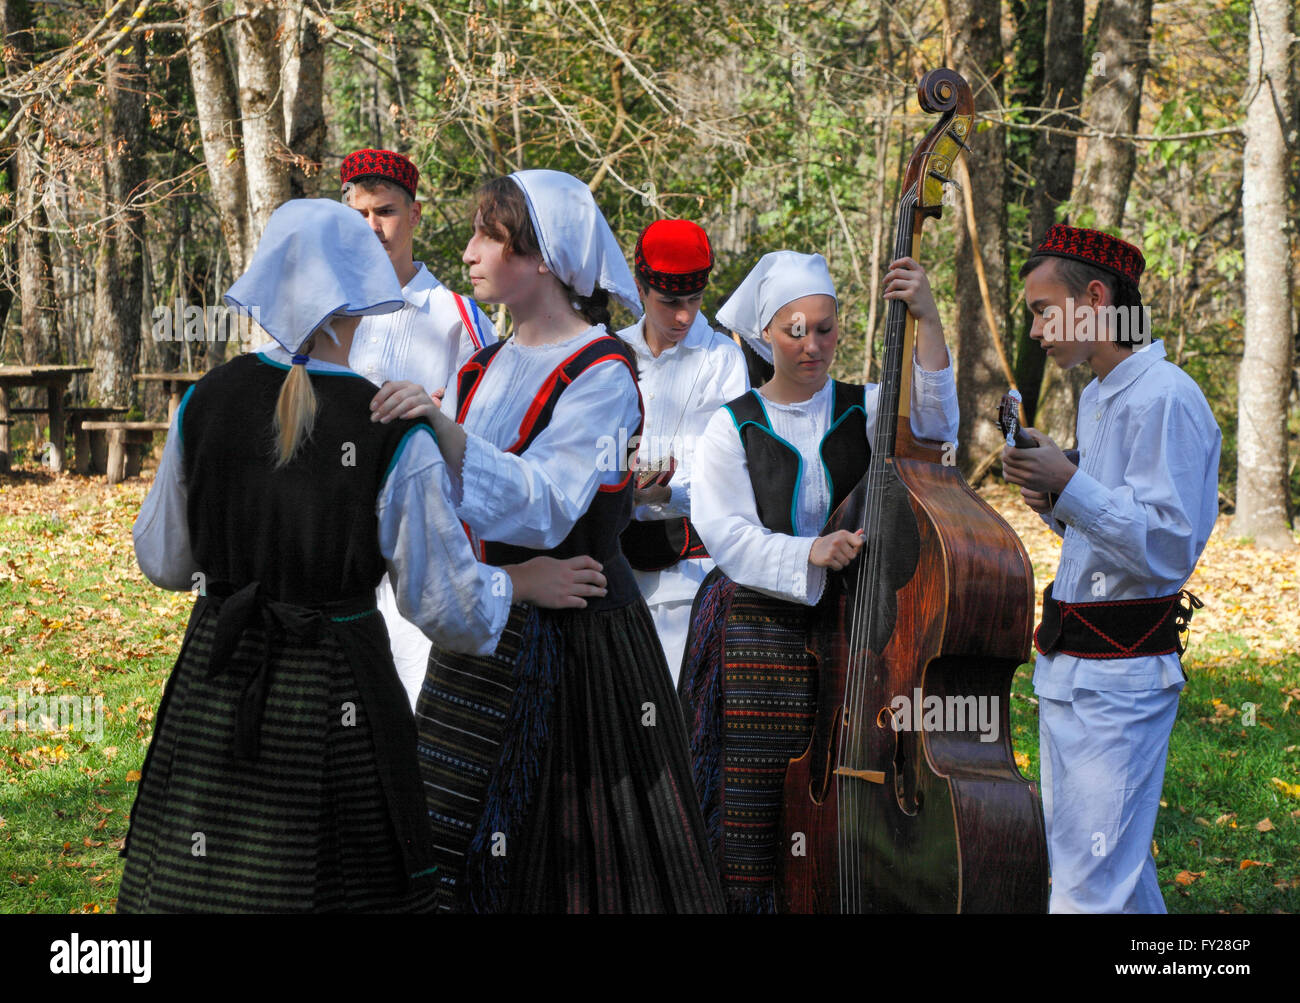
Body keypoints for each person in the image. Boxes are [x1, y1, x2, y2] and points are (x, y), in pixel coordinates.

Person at [119, 199, 604, 913]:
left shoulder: (204, 402)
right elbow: (448, 609)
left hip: (218, 679)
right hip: (338, 691)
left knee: (200, 890)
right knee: (343, 888)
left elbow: (163, 559)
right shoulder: (389, 426)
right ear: (359, 294)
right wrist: (517, 581)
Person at [371, 169, 724, 913]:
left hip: (581, 645)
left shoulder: (601, 371)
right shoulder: (480, 366)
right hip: (485, 637)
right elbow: (450, 502)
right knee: (453, 833)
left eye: (488, 236)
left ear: (543, 260)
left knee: (578, 859)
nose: (467, 251)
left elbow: (551, 504)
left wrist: (445, 430)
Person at [679, 250, 959, 912]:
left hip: (858, 632)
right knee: (756, 800)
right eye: (794, 330)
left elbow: (938, 425)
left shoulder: (869, 408)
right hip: (758, 633)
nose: (813, 345)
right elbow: (727, 532)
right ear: (765, 336)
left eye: (826, 328)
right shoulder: (731, 425)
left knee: (849, 789)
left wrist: (926, 313)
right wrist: (808, 552)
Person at [1001, 224, 1220, 913]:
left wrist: (1073, 483)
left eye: (1042, 310)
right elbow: (1103, 541)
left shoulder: (1167, 396)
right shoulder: (1098, 395)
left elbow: (1169, 545)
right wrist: (1052, 494)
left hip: (1122, 681)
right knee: (1111, 879)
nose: (1036, 330)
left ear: (1093, 298)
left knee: (1087, 887)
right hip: (1072, 668)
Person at [340, 148, 497, 707]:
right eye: (359, 214)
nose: (372, 227)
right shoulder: (330, 312)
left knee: (417, 699)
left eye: (384, 211)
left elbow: (490, 431)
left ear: (415, 214)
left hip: (424, 538)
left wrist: (440, 417)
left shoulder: (457, 315)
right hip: (340, 537)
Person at [617, 219, 749, 683]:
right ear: (639, 286)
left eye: (695, 301)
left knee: (674, 713)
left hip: (688, 572)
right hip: (614, 571)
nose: (684, 317)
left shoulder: (722, 360)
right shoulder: (610, 352)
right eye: (670, 302)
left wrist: (661, 493)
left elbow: (732, 475)